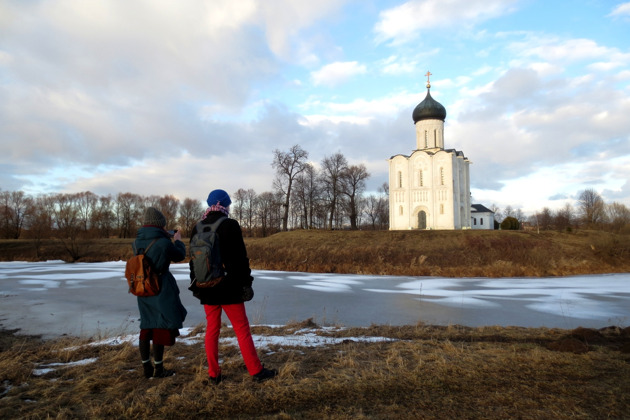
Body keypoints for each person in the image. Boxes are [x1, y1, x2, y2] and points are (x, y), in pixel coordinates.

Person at [189, 189, 277, 384]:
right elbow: (240, 260)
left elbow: (193, 261)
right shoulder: (230, 225)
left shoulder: (198, 227)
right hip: (228, 288)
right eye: (228, 203)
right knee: (241, 328)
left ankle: (214, 374)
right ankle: (256, 371)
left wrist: (196, 285)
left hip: (206, 286)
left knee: (212, 329)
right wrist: (246, 283)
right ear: (224, 205)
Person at [134, 206, 187, 378]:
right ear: (160, 224)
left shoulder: (137, 241)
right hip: (161, 287)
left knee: (147, 324)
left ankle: (146, 368)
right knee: (160, 326)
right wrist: (177, 240)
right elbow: (179, 255)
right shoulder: (164, 242)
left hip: (142, 287)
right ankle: (159, 368)